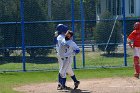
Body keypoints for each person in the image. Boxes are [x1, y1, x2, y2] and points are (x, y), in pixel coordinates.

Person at [55, 24, 80, 90]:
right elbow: (64, 41)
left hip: (66, 57)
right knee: (68, 70)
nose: (67, 33)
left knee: (62, 71)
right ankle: (75, 81)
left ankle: (62, 85)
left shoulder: (63, 37)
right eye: (66, 32)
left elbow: (76, 49)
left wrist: (72, 53)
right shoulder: (61, 37)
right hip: (61, 56)